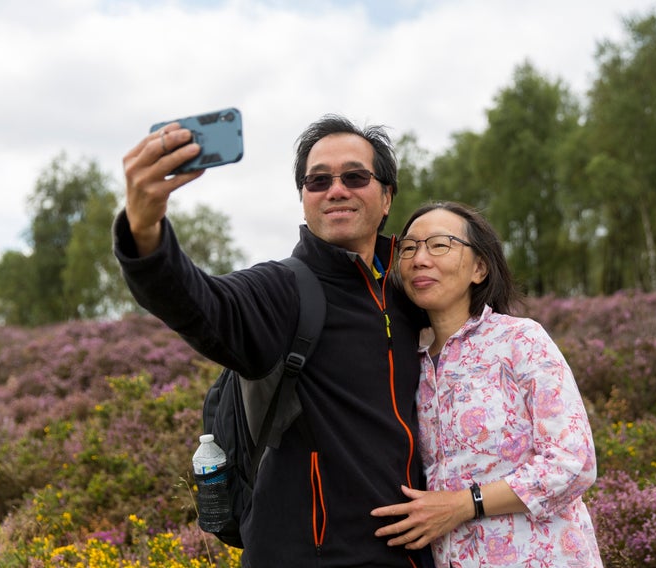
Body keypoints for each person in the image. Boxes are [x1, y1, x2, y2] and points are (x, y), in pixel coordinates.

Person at [114, 114, 432, 567]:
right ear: (303, 200)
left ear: (386, 197)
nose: (335, 189)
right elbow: (203, 304)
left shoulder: (414, 295)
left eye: (355, 176)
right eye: (317, 180)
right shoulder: (282, 290)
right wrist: (144, 233)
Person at [371, 201, 603, 567]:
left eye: (439, 244)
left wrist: (466, 504)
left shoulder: (520, 340)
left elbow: (573, 463)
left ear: (479, 268)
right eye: (410, 247)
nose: (419, 258)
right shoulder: (407, 361)